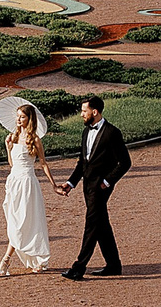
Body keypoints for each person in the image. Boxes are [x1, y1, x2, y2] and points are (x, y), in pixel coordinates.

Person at [55, 94, 129, 280]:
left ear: (94, 112)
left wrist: (107, 181)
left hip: (101, 187)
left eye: (84, 111)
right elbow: (83, 162)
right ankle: (113, 265)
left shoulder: (112, 133)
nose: (81, 114)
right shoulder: (86, 131)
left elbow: (125, 162)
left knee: (91, 224)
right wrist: (71, 183)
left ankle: (78, 267)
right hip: (87, 185)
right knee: (101, 224)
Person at [0, 97, 51, 276]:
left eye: (22, 117)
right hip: (13, 182)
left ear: (29, 119)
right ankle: (21, 258)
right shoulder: (13, 137)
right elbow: (12, 164)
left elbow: (43, 163)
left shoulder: (35, 140)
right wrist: (8, 147)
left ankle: (6, 260)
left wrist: (54, 184)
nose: (18, 119)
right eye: (17, 116)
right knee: (14, 221)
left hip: (27, 183)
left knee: (23, 222)